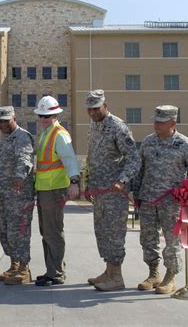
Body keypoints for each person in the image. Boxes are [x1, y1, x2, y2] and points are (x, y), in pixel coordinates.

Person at [133, 105, 188, 294]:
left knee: (172, 240)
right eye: (155, 120)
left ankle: (170, 276)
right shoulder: (148, 142)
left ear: (173, 122)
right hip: (148, 198)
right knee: (148, 239)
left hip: (171, 202)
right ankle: (153, 273)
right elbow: (140, 169)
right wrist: (136, 192)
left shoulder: (184, 144)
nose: (156, 124)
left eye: (161, 121)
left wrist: (187, 184)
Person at [84, 89, 141, 291]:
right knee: (102, 232)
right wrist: (88, 184)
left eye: (96, 108)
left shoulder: (117, 126)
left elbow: (134, 159)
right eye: (90, 109)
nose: (93, 112)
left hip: (114, 192)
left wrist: (122, 180)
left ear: (105, 106)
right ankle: (108, 272)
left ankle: (116, 277)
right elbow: (92, 157)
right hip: (99, 192)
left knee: (114, 233)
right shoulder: (94, 125)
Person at [32, 96, 80, 286]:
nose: (44, 119)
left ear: (56, 115)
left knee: (53, 232)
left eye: (48, 116)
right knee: (46, 232)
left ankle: (57, 273)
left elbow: (70, 159)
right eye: (42, 116)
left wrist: (74, 182)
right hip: (44, 188)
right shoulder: (45, 133)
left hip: (54, 189)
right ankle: (52, 269)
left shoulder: (59, 134)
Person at [0, 106, 35, 285]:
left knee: (20, 232)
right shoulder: (6, 140)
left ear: (14, 119)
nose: (3, 124)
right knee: (6, 232)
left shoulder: (22, 136)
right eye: (0, 121)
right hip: (5, 196)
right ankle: (14, 265)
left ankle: (24, 270)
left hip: (19, 196)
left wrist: (19, 176)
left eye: (6, 120)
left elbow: (25, 158)